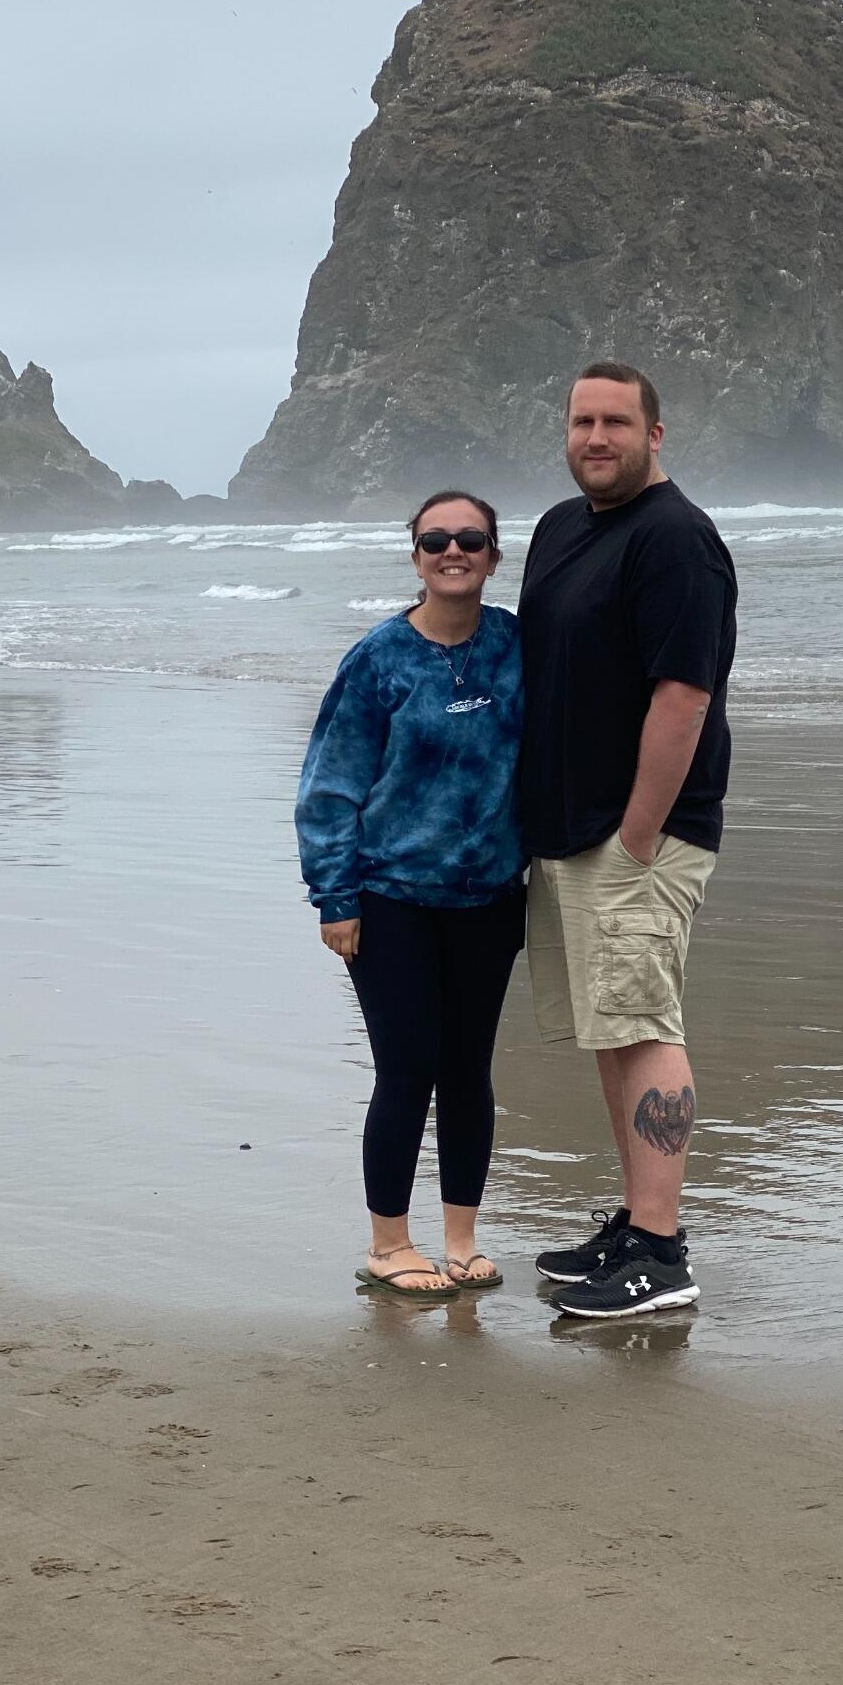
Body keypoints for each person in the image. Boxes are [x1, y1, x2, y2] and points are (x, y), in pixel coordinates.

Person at [516, 363, 738, 1320]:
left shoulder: (676, 539)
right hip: (571, 829)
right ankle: (636, 1224)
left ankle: (660, 1252)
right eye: (581, 421)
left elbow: (683, 694)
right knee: (612, 1025)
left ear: (655, 433)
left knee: (644, 1025)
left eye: (615, 421)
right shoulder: (560, 529)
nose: (595, 438)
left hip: (638, 834)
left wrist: (639, 832)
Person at [297, 492, 525, 1296]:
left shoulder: (516, 647)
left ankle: (461, 1240)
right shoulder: (378, 659)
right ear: (416, 555)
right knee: (407, 1067)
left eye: (469, 539)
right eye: (435, 540)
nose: (451, 550)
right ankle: (388, 1244)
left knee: (468, 1070)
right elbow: (329, 786)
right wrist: (334, 896)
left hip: (489, 897)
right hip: (389, 897)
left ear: (493, 555)